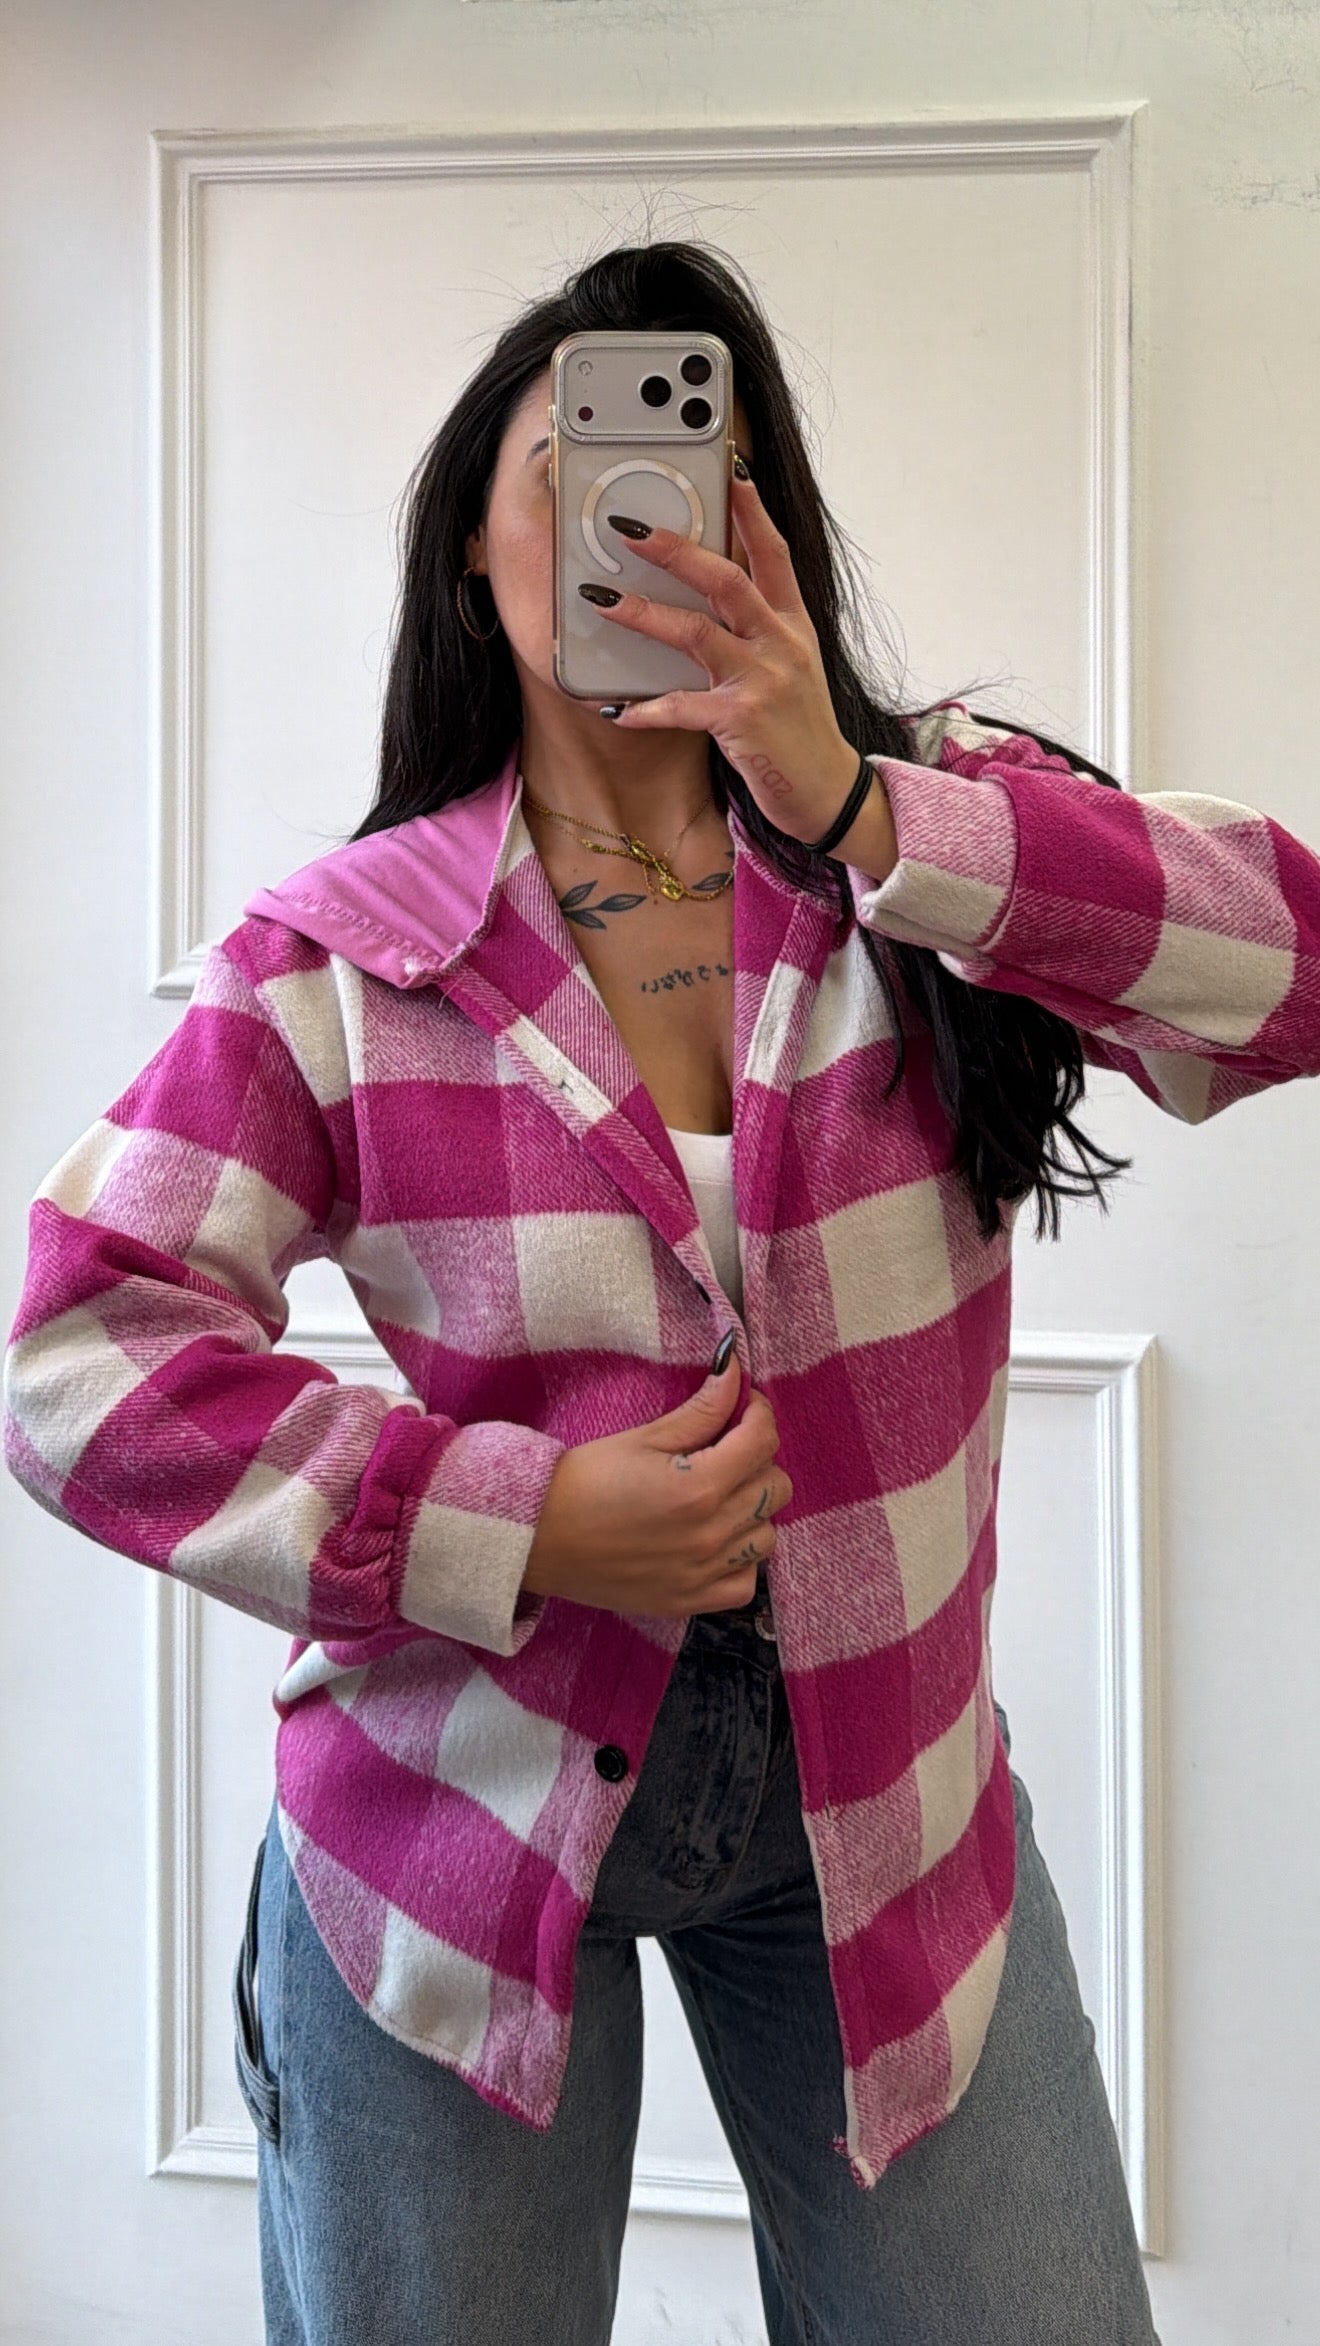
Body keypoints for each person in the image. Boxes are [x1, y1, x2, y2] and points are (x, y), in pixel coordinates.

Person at [10, 237, 1320, 2346]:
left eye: (684, 473)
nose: (635, 520)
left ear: (760, 528)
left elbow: (1292, 967)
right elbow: (79, 1353)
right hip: (448, 1821)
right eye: (572, 469)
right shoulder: (348, 959)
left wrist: (858, 803)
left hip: (885, 1821)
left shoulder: (934, 830)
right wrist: (523, 1516)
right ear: (472, 548)